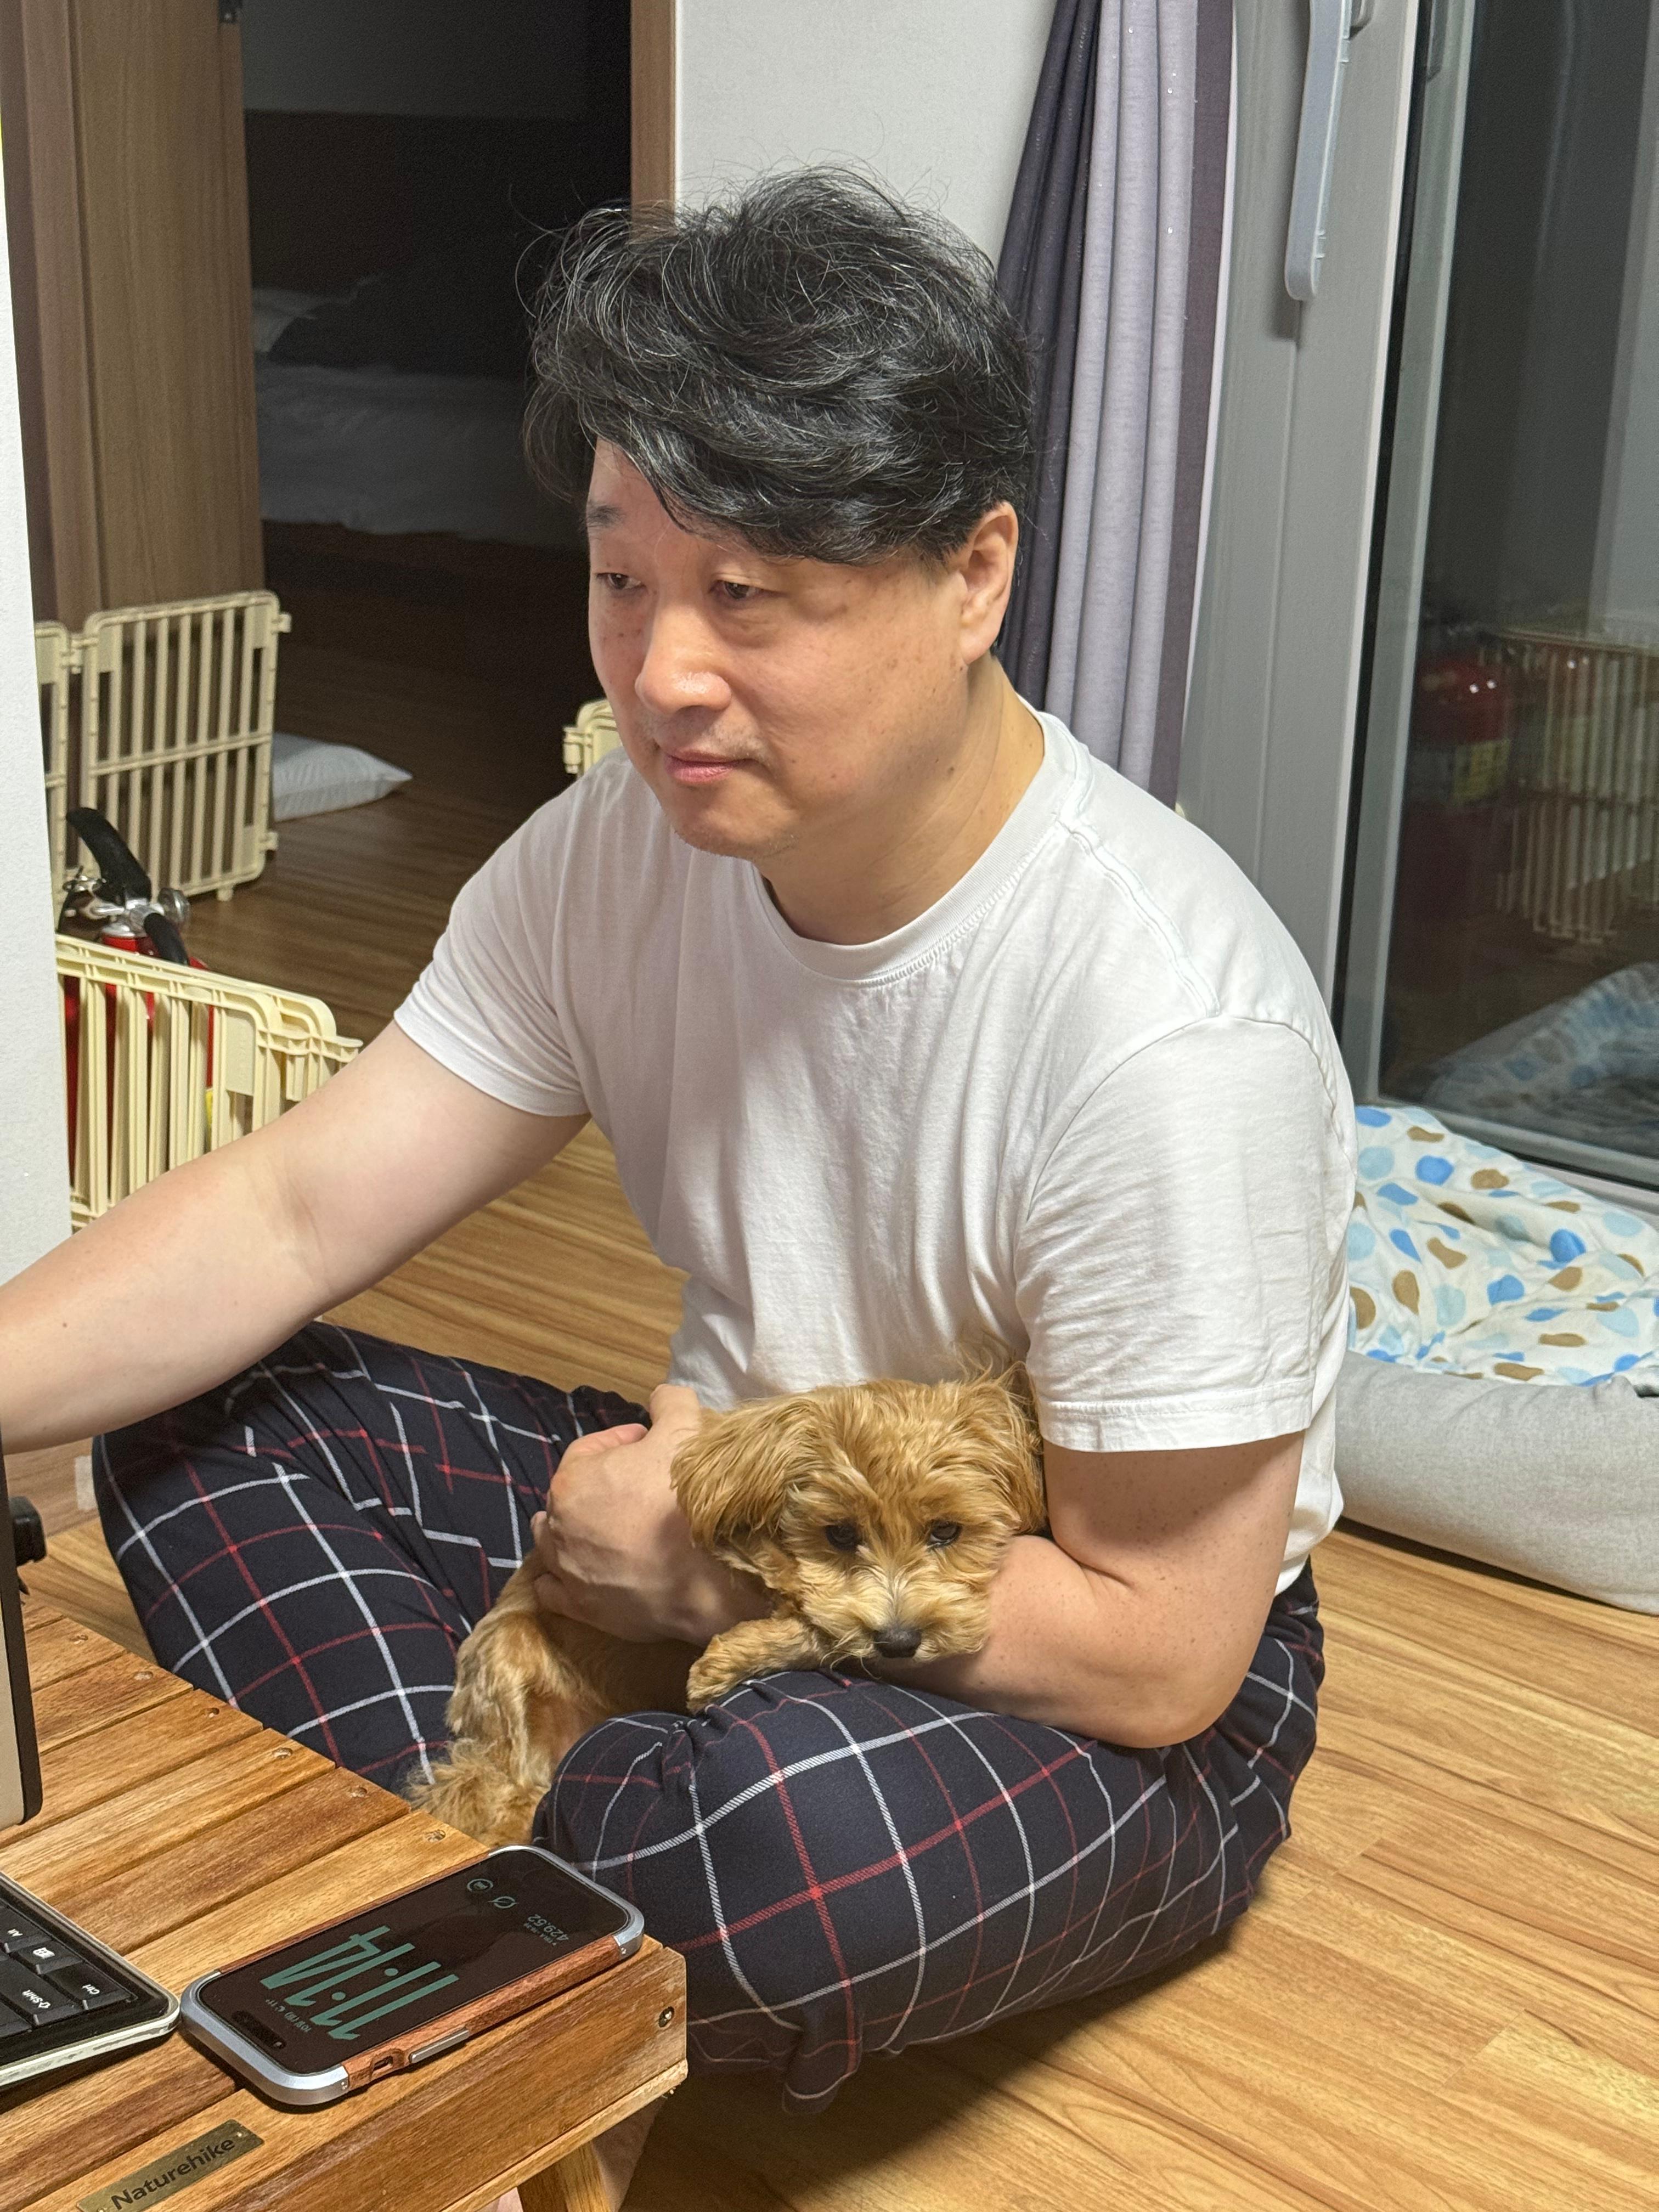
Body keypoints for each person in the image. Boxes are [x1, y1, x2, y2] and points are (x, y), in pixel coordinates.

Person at [0, 173, 1354, 2205]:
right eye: (623, 579)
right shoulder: (616, 850)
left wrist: (713, 1594)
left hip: (1084, 1665)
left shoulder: (1170, 1030)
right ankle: (538, 1918)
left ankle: (487, 1885)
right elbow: (292, 1211)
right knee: (196, 1408)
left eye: (750, 595)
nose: (664, 672)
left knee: (779, 1840)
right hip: (721, 1490)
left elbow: (1164, 1645)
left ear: (975, 573)